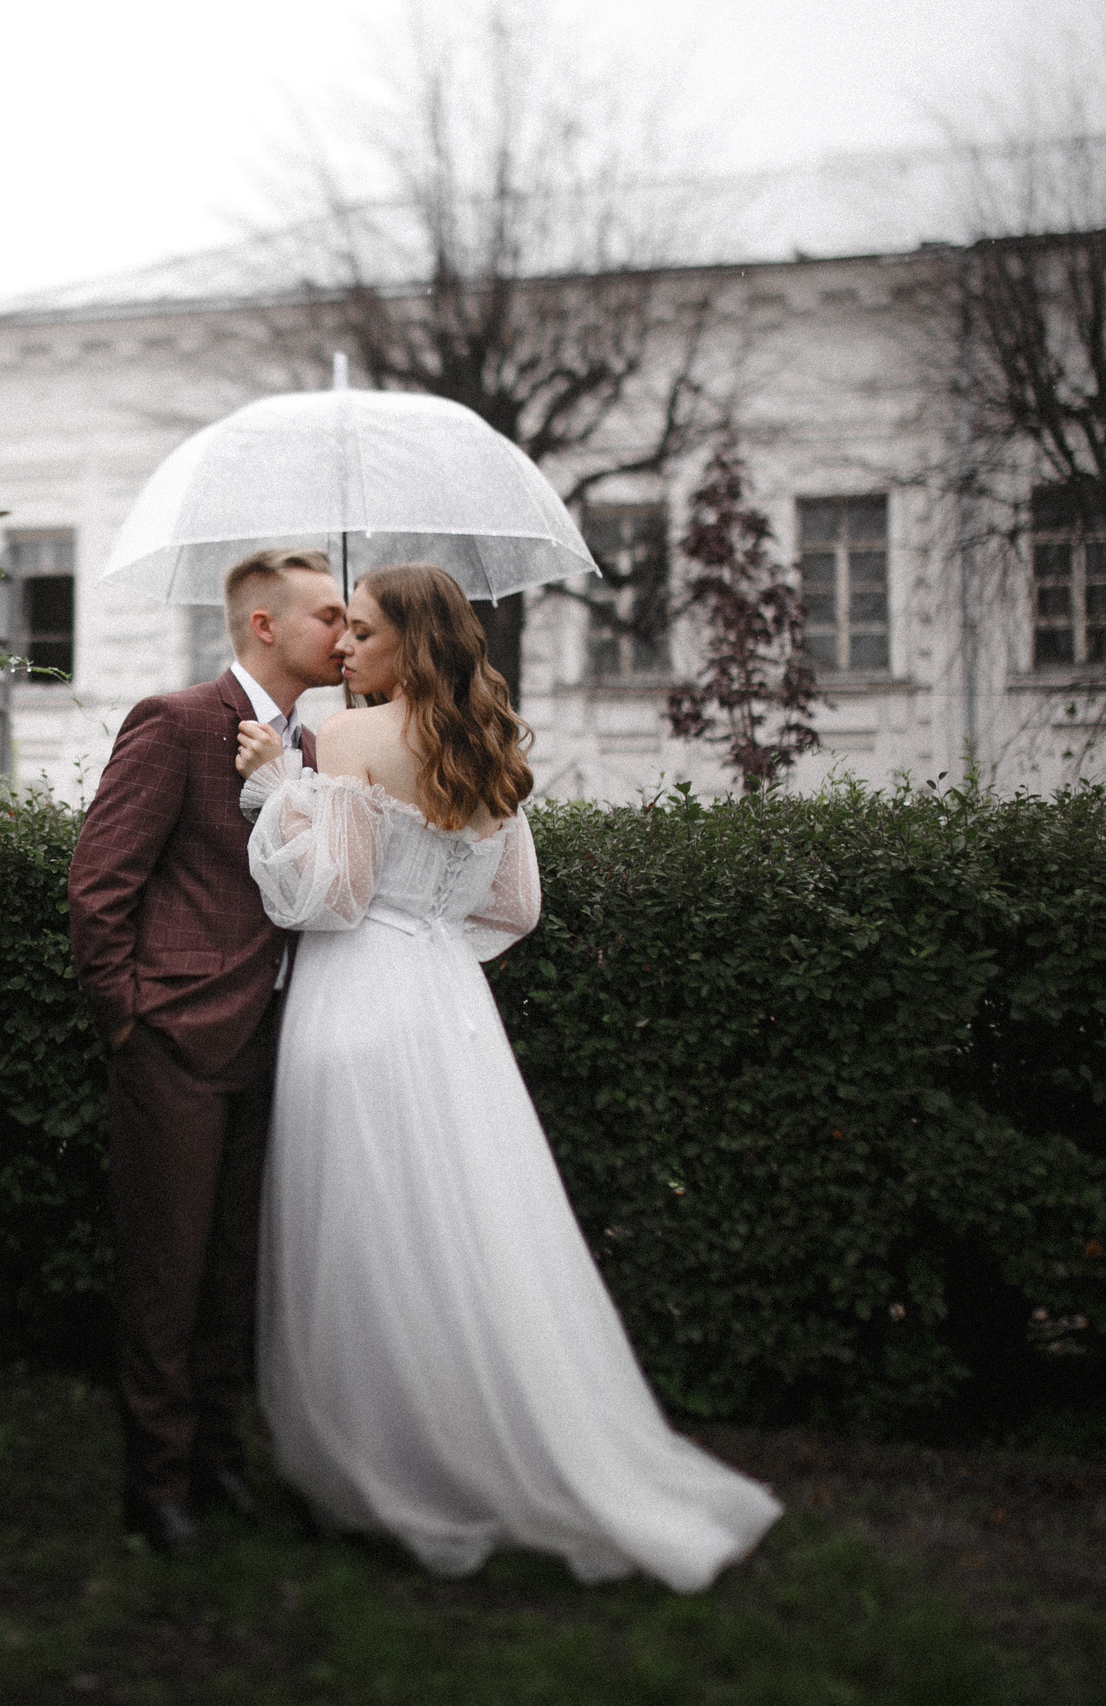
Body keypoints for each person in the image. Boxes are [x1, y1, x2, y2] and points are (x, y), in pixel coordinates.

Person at [231, 564, 781, 1592]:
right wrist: (430, 925)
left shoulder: (343, 737)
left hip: (355, 999)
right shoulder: (485, 748)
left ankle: (384, 1466)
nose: (343, 647)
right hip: (449, 1006)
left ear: (410, 642)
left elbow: (332, 899)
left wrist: (279, 793)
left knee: (363, 1232)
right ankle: (479, 1444)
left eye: (362, 631)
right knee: (464, 1228)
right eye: (342, 629)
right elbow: (513, 908)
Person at [67, 547, 347, 1557]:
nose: (345, 634)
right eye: (328, 616)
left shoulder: (312, 744)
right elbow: (99, 882)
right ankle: (156, 1488)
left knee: (236, 1269)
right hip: (176, 1044)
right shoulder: (177, 721)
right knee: (168, 1276)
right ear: (265, 626)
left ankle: (220, 1460)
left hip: (276, 1037)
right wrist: (129, 1017)